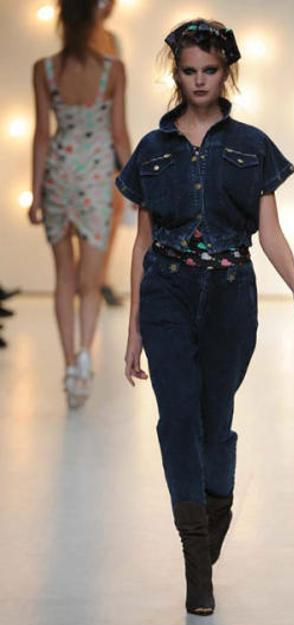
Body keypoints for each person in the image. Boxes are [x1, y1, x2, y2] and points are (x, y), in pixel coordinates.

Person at [116, 18, 294, 616]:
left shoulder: (252, 145)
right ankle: (195, 561)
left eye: (209, 70)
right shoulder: (153, 150)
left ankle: (214, 519)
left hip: (231, 294)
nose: (199, 80)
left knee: (214, 421)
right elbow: (142, 242)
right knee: (177, 420)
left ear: (226, 72)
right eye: (189, 70)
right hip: (167, 292)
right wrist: (133, 328)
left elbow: (270, 231)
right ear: (175, 73)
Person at [28, 0, 131, 408]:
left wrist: (35, 193)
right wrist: (136, 186)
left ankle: (70, 364)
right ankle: (85, 356)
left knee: (64, 279)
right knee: (90, 282)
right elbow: (119, 135)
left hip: (58, 176)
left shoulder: (45, 69)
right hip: (97, 179)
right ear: (94, 19)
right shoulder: (112, 70)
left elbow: (41, 135)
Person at [90, 0, 127, 307]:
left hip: (109, 133)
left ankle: (99, 277)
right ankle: (90, 278)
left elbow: (116, 96)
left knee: (114, 205)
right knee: (89, 209)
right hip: (86, 135)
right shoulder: (80, 39)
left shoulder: (112, 39)